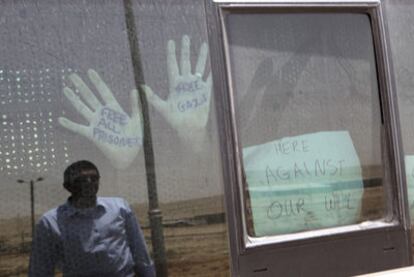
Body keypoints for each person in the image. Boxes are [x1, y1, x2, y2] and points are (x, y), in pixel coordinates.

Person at [29, 160, 155, 277]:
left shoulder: (119, 208)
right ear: (67, 186)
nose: (89, 182)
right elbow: (40, 268)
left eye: (94, 178)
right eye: (81, 180)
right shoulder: (51, 222)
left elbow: (139, 251)